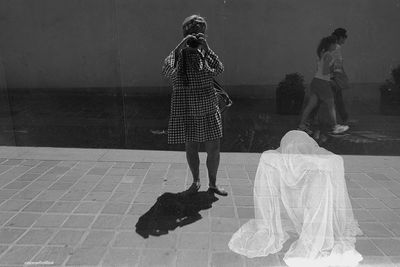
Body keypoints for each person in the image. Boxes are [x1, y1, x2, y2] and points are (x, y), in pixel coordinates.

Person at [228, 130, 363, 267]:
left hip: (309, 205)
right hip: (309, 207)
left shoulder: (281, 161)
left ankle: (309, 230)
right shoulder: (316, 159)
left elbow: (333, 161)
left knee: (316, 187)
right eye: (292, 150)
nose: (295, 155)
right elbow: (335, 161)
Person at [162, 15, 228, 196]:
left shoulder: (204, 53)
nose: (196, 36)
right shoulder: (178, 55)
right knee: (192, 146)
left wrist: (207, 49)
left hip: (208, 108)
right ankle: (196, 181)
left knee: (213, 148)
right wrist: (180, 46)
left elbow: (220, 69)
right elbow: (166, 70)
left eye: (200, 32)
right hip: (188, 109)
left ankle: (213, 184)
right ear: (185, 34)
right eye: (192, 32)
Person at [298, 36, 349, 135]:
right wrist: (332, 77)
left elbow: (320, 69)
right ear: (330, 45)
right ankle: (335, 127)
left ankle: (301, 126)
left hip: (316, 81)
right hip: (323, 83)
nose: (336, 45)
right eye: (335, 43)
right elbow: (325, 71)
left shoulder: (323, 53)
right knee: (331, 105)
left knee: (310, 105)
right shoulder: (329, 55)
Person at [331, 28, 350, 124]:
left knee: (321, 98)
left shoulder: (333, 46)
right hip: (334, 76)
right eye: (344, 38)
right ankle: (344, 119)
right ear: (340, 37)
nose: (344, 40)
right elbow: (335, 63)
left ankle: (344, 118)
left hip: (332, 76)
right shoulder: (336, 47)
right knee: (337, 98)